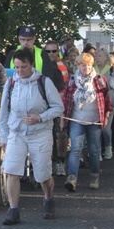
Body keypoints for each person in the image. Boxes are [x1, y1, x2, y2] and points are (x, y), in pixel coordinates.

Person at [0, 48, 64, 224]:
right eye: (17, 67)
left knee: (43, 174)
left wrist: (40, 117)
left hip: (40, 133)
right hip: (17, 133)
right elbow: (3, 112)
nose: (20, 71)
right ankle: (13, 210)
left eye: (23, 67)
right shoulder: (11, 83)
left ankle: (48, 198)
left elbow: (58, 107)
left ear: (31, 65)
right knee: (11, 171)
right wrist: (3, 137)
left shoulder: (44, 82)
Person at [63, 52, 111, 192]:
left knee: (94, 150)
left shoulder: (99, 80)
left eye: (89, 65)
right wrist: (63, 119)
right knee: (75, 149)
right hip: (76, 120)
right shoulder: (72, 81)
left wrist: (106, 117)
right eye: (83, 65)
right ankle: (72, 178)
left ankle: (94, 176)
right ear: (78, 66)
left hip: (94, 121)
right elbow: (66, 101)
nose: (86, 68)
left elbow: (107, 101)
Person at [5, 25, 64, 92]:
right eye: (23, 39)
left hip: (37, 93)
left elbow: (48, 78)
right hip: (17, 93)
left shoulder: (42, 54)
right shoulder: (12, 55)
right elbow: (5, 77)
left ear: (33, 39)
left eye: (28, 40)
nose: (25, 43)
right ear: (19, 39)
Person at [44, 40, 69, 176]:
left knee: (61, 134)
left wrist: (62, 113)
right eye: (48, 51)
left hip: (58, 106)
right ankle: (49, 163)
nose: (51, 54)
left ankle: (60, 162)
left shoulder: (62, 67)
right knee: (47, 137)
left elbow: (64, 91)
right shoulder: (40, 64)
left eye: (54, 51)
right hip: (42, 107)